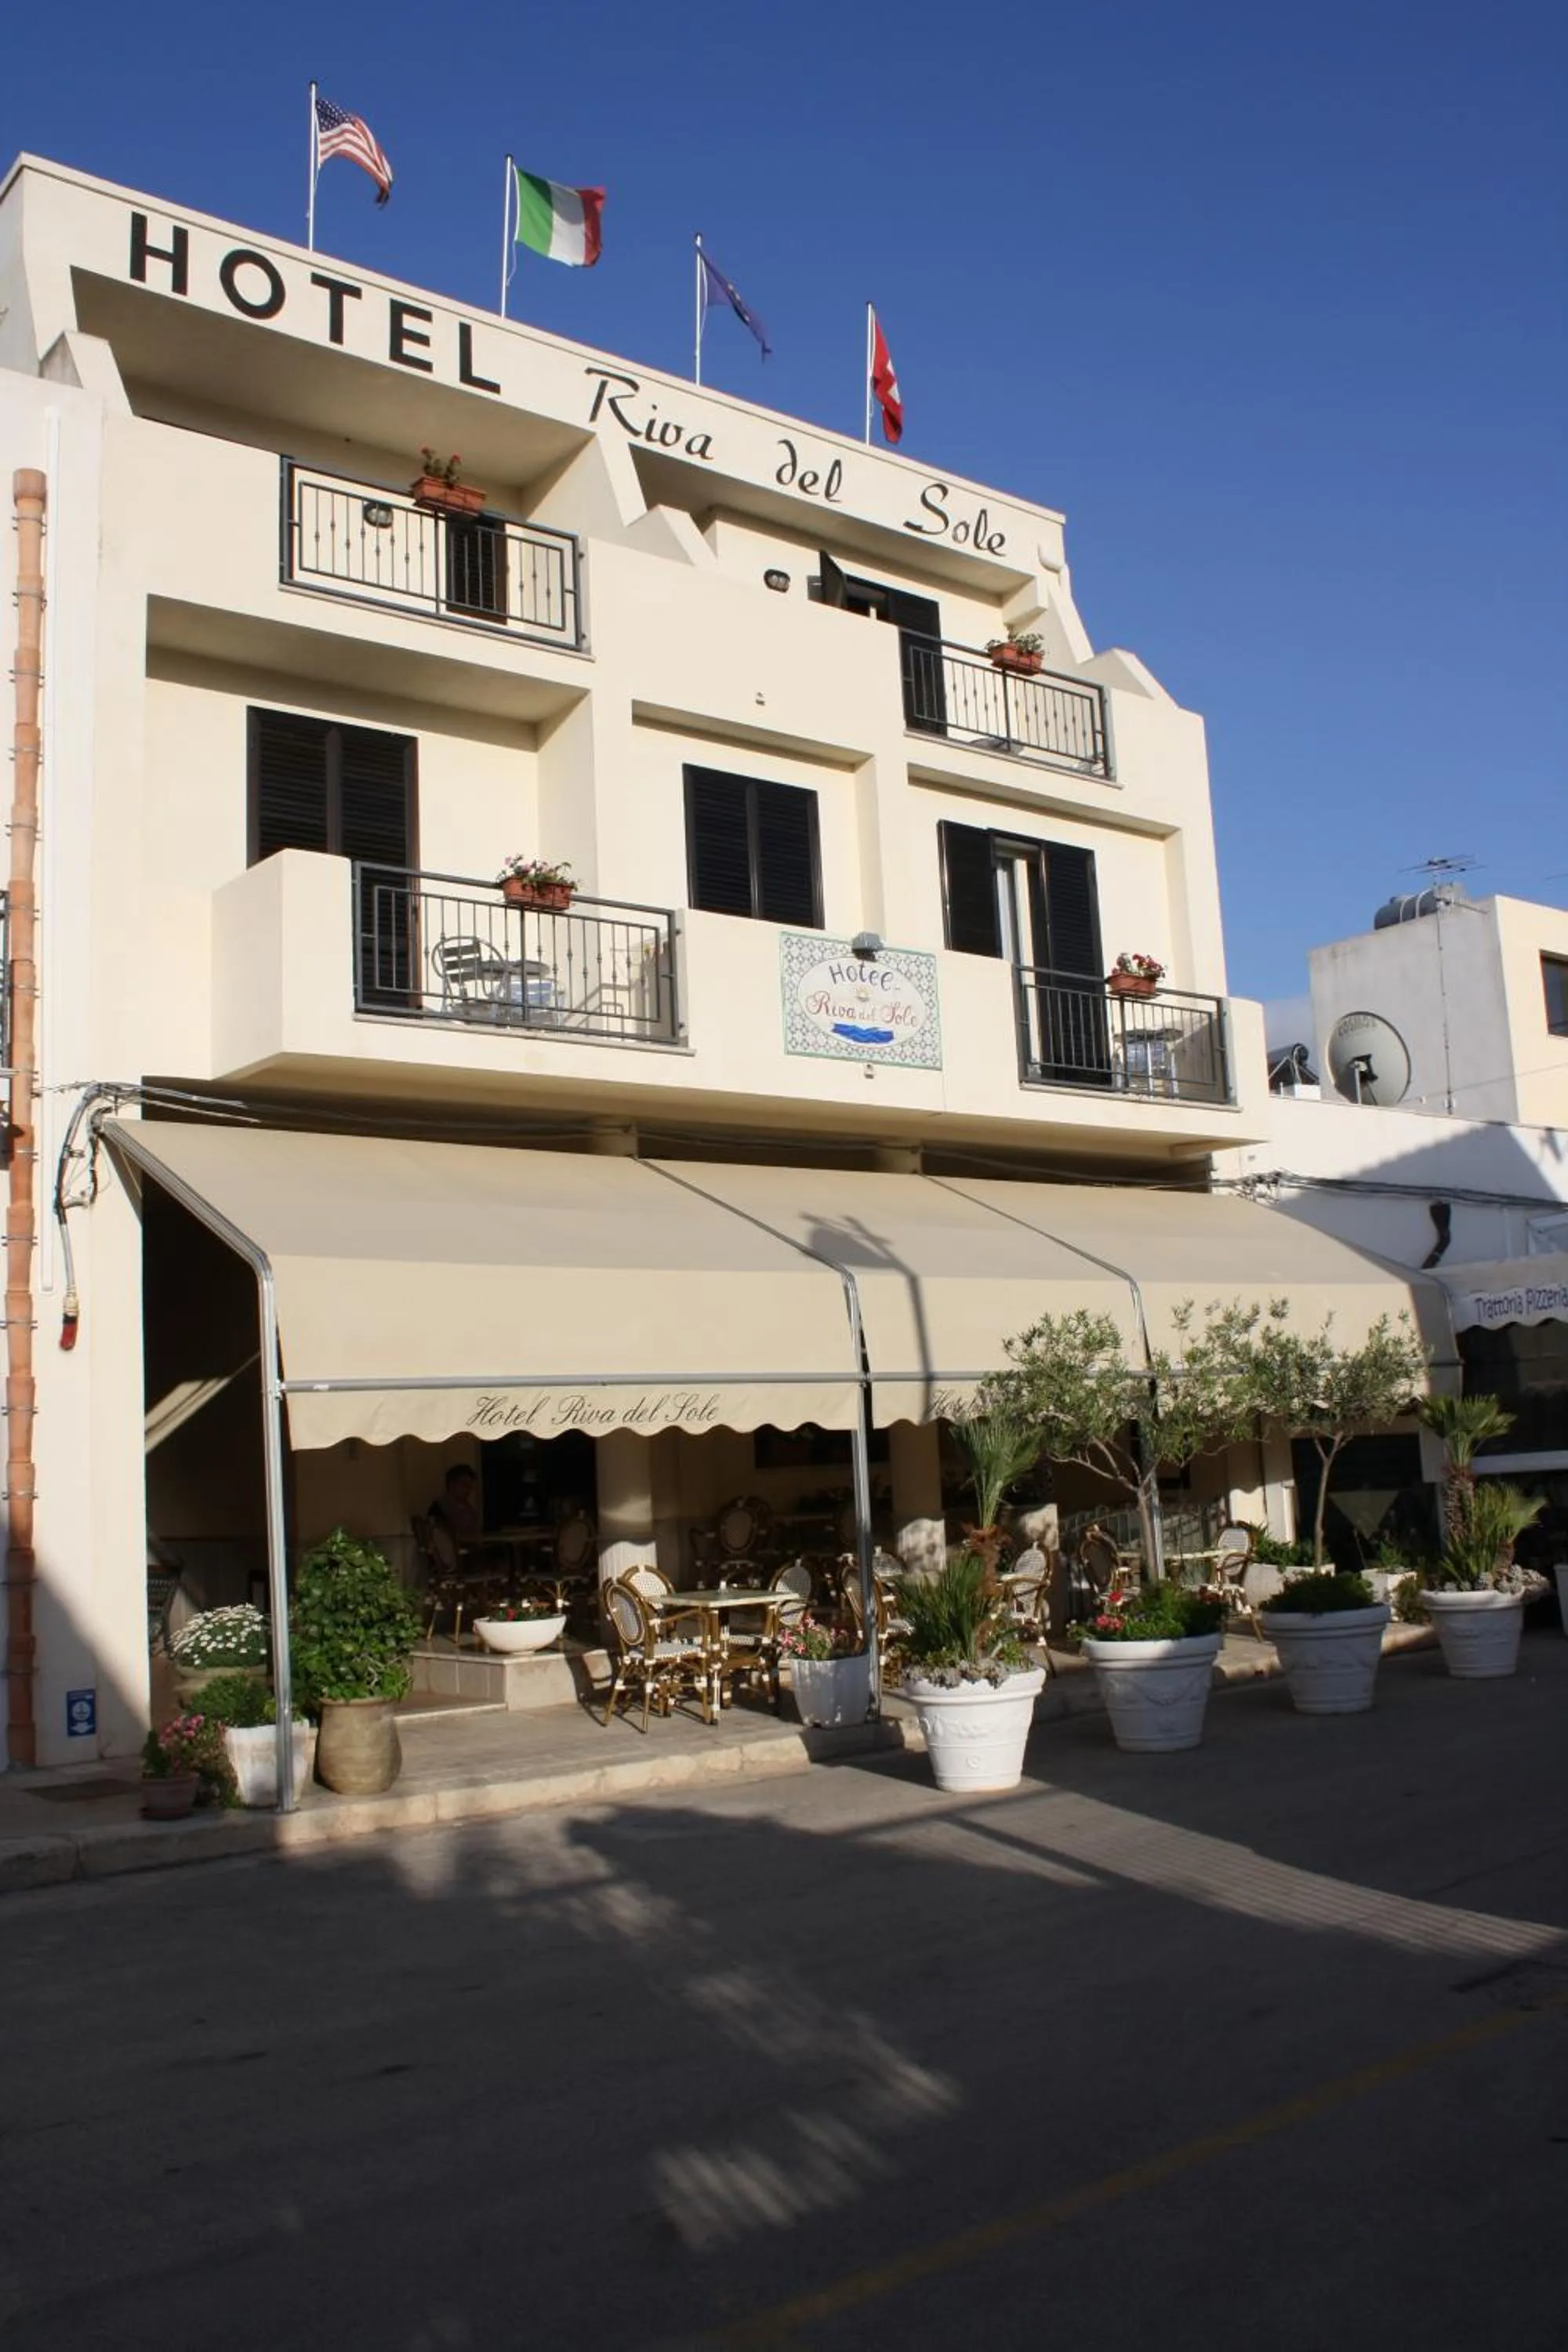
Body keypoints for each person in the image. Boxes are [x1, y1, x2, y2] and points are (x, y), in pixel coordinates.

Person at [430, 1463, 484, 1545]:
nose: (469, 1491)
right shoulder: (439, 1509)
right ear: (452, 1485)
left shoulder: (468, 1508)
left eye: (470, 1486)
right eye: (465, 1485)